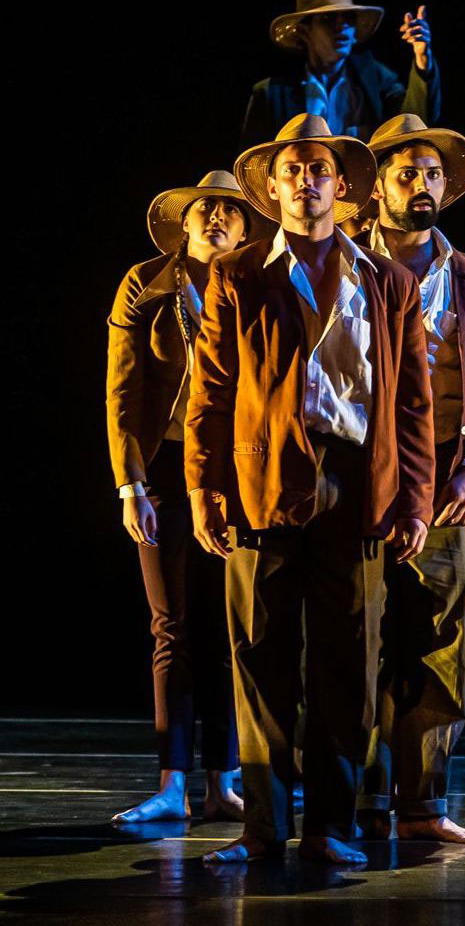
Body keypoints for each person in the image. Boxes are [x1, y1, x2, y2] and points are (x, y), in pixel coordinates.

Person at [185, 114, 435, 865]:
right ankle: (263, 830)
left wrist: (416, 498)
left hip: (357, 485)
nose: (305, 181)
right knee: (259, 657)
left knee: (347, 664)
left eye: (317, 169)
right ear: (270, 186)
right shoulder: (238, 275)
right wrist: (204, 491)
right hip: (264, 483)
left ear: (341, 184)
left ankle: (332, 826)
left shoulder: (386, 281)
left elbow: (416, 402)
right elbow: (210, 395)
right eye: (291, 170)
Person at [357, 114, 465, 843]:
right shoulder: (348, 265)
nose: (422, 185)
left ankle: (422, 804)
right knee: (354, 641)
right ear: (380, 186)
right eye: (407, 173)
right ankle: (356, 798)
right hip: (363, 484)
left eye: (432, 173)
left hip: (451, 489)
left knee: (440, 641)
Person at [107, 171, 268, 824]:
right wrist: (130, 484)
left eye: (230, 212)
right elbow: (122, 390)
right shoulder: (145, 283)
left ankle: (222, 780)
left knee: (229, 628)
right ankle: (172, 783)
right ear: (185, 221)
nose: (216, 221)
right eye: (206, 210)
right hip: (164, 469)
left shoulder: (259, 282)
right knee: (171, 625)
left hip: (235, 471)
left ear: (246, 226)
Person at [241, 0, 441, 147]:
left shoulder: (375, 78)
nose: (341, 26)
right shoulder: (271, 95)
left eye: (348, 18)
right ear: (304, 31)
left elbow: (415, 124)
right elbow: (251, 166)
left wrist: (422, 58)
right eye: (328, 18)